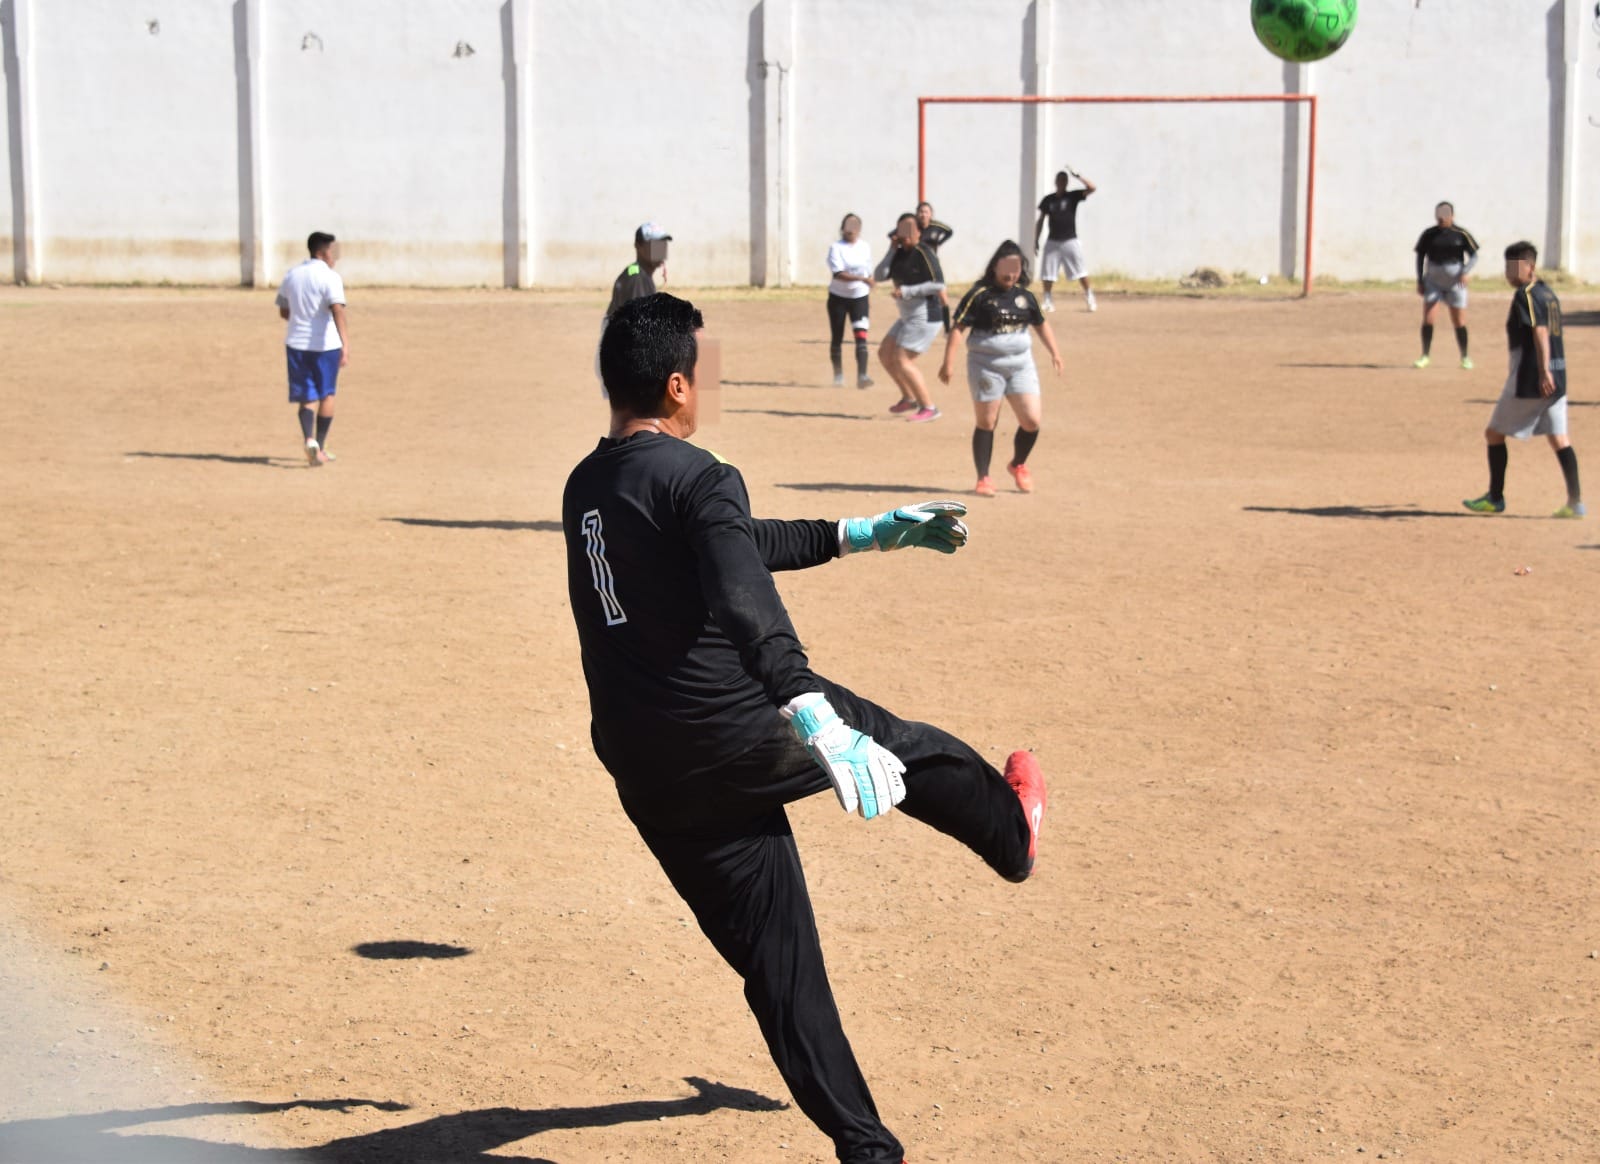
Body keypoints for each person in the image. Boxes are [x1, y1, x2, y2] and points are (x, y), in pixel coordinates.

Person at [562, 292, 1046, 1164]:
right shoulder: (698, 473)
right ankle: (1013, 834)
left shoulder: (588, 485)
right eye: (702, 370)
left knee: (779, 968)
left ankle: (867, 1149)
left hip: (650, 773)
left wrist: (862, 533)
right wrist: (811, 711)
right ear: (677, 385)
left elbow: (732, 544)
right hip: (741, 730)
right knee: (909, 747)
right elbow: (742, 594)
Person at [1463, 241, 1584, 518]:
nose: (1508, 272)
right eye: (1506, 266)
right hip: (1558, 376)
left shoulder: (1525, 294)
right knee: (1559, 438)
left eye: (1512, 266)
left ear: (1529, 266)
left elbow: (1539, 332)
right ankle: (1575, 502)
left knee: (1494, 433)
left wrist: (1542, 372)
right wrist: (1551, 371)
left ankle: (1495, 498)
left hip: (1531, 378)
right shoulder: (1548, 293)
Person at [938, 241, 1063, 497]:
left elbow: (1041, 324)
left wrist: (1055, 352)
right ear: (995, 267)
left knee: (1031, 420)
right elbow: (958, 328)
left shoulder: (1025, 297)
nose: (1011, 275)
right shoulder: (979, 295)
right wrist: (948, 362)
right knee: (987, 421)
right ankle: (983, 477)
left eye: (1016, 270)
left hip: (1020, 365)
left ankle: (1018, 464)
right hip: (986, 365)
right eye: (1007, 269)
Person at [275, 231, 349, 466]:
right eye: (333, 251)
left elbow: (284, 310)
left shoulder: (292, 275)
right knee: (327, 394)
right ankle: (321, 446)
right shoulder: (330, 277)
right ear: (323, 252)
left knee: (307, 396)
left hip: (296, 344)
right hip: (326, 346)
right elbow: (337, 310)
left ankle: (309, 440)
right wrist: (345, 343)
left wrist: (301, 319)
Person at [873, 213, 948, 422]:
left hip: (926, 313)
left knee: (903, 359)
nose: (904, 235)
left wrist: (907, 291)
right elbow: (879, 275)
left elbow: (938, 285)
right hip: (907, 315)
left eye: (909, 230)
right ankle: (909, 398)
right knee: (885, 354)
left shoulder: (925, 253)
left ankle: (929, 407)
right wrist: (891, 249)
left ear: (919, 232)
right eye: (901, 230)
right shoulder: (898, 253)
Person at [1412, 201, 1479, 369]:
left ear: (1452, 216)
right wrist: (1420, 280)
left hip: (1456, 283)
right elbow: (1420, 257)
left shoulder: (1461, 234)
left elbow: (1474, 256)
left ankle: (1465, 357)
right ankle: (1425, 356)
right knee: (1428, 318)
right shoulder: (1429, 234)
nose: (1442, 218)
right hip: (1433, 281)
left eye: (1445, 214)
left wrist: (1465, 271)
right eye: (1439, 215)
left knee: (1459, 321)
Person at [1032, 168, 1097, 313]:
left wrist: (1079, 176)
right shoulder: (1048, 200)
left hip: (1070, 240)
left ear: (1067, 182)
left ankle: (1089, 296)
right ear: (1055, 182)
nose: (1062, 183)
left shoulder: (1073, 196)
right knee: (1048, 273)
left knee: (1081, 271)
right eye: (1059, 180)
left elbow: (1092, 188)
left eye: (1064, 180)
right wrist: (1036, 238)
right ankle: (1047, 300)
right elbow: (1041, 220)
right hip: (1053, 240)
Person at [825, 213, 875, 388]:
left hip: (859, 297)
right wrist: (862, 279)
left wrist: (869, 282)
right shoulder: (836, 247)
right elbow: (838, 274)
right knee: (837, 336)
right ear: (843, 228)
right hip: (838, 298)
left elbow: (868, 271)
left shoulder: (865, 247)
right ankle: (838, 375)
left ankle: (862, 376)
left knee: (861, 335)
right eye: (848, 225)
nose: (851, 229)